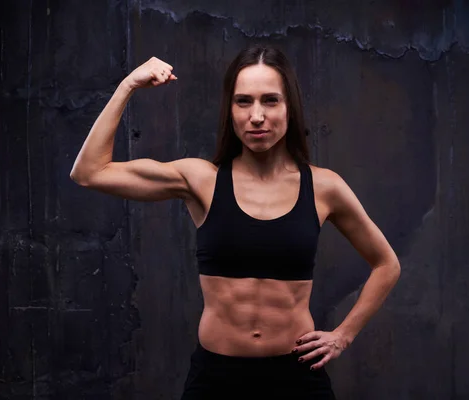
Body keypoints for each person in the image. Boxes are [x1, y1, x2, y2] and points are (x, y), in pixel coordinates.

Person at [70, 45, 401, 399]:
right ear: (230, 111)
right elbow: (89, 172)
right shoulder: (200, 180)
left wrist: (343, 335)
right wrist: (128, 86)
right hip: (217, 380)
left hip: (296, 378)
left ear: (290, 108)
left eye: (270, 100)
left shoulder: (324, 187)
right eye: (243, 101)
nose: (256, 116)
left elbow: (386, 264)